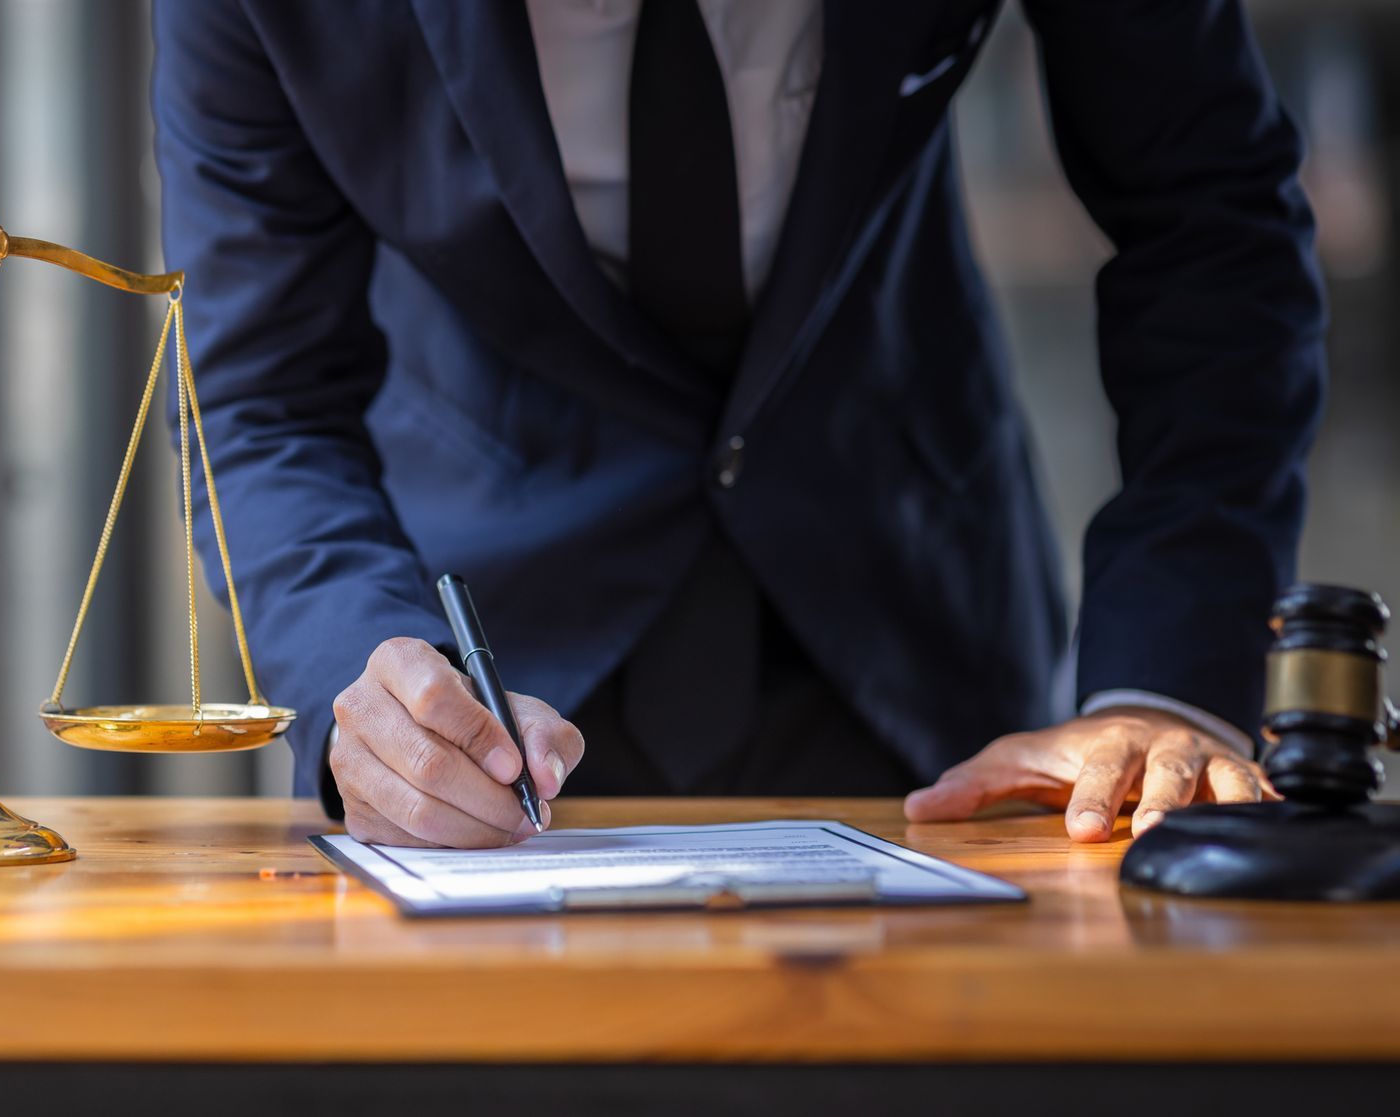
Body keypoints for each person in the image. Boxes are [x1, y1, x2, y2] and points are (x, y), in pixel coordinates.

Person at [151, 1, 1324, 848]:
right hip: (495, 684)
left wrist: (1161, 684)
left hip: (915, 640)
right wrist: (366, 670)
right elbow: (256, 397)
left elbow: (1213, 230)